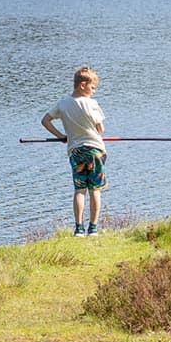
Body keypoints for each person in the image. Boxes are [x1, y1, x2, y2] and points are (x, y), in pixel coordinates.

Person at [41, 65, 107, 236]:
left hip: (75, 151)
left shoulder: (62, 103)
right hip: (95, 150)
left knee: (79, 190)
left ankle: (78, 229)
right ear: (83, 85)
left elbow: (45, 120)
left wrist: (62, 136)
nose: (94, 91)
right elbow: (100, 129)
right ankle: (93, 229)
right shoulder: (92, 104)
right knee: (95, 190)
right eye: (93, 87)